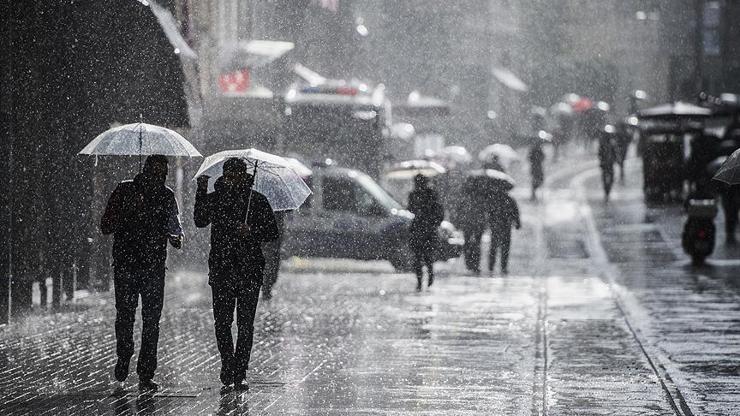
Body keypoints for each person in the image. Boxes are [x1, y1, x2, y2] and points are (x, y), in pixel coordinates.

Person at [194, 158, 279, 391]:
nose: (232, 180)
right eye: (229, 175)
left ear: (244, 176)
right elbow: (200, 220)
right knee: (222, 322)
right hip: (222, 269)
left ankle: (240, 371)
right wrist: (201, 191)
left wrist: (251, 231)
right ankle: (227, 364)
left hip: (249, 269)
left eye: (237, 176)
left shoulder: (257, 201)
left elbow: (272, 232)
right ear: (224, 176)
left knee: (245, 324)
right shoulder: (216, 198)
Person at [100, 155, 183, 392]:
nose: (160, 177)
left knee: (151, 321)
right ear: (145, 170)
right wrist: (128, 210)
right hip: (126, 265)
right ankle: (124, 354)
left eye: (163, 174)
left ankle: (146, 372)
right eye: (156, 172)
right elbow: (105, 225)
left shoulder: (166, 196)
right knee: (125, 316)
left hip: (154, 267)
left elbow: (175, 228)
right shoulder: (124, 191)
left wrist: (176, 238)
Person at [407, 174, 444, 291]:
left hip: (427, 229)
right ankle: (420, 280)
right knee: (419, 257)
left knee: (426, 257)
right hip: (419, 229)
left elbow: (438, 211)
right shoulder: (414, 194)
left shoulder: (431, 194)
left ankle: (428, 277)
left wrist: (433, 222)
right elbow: (410, 209)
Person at [459, 176, 489, 274]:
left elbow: (460, 210)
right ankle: (475, 264)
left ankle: (469, 263)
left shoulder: (465, 196)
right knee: (476, 244)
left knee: (468, 243)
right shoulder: (482, 196)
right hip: (477, 223)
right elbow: (485, 211)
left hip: (468, 223)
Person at [487, 191, 521, 274]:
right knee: (505, 247)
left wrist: (491, 222)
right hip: (506, 226)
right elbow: (515, 212)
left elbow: (489, 213)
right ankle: (503, 267)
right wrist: (517, 223)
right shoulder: (510, 199)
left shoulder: (494, 199)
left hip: (496, 226)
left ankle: (491, 266)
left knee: (494, 247)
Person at [262, 211, 285, 300]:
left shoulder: (279, 213)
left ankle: (266, 287)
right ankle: (266, 287)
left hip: (273, 244)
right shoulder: (278, 212)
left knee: (271, 266)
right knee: (271, 266)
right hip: (270, 244)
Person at [598, 127, 617, 202]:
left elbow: (615, 152)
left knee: (611, 177)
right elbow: (600, 153)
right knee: (605, 177)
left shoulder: (612, 143)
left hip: (610, 163)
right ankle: (606, 190)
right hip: (605, 163)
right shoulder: (603, 143)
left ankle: (607, 190)